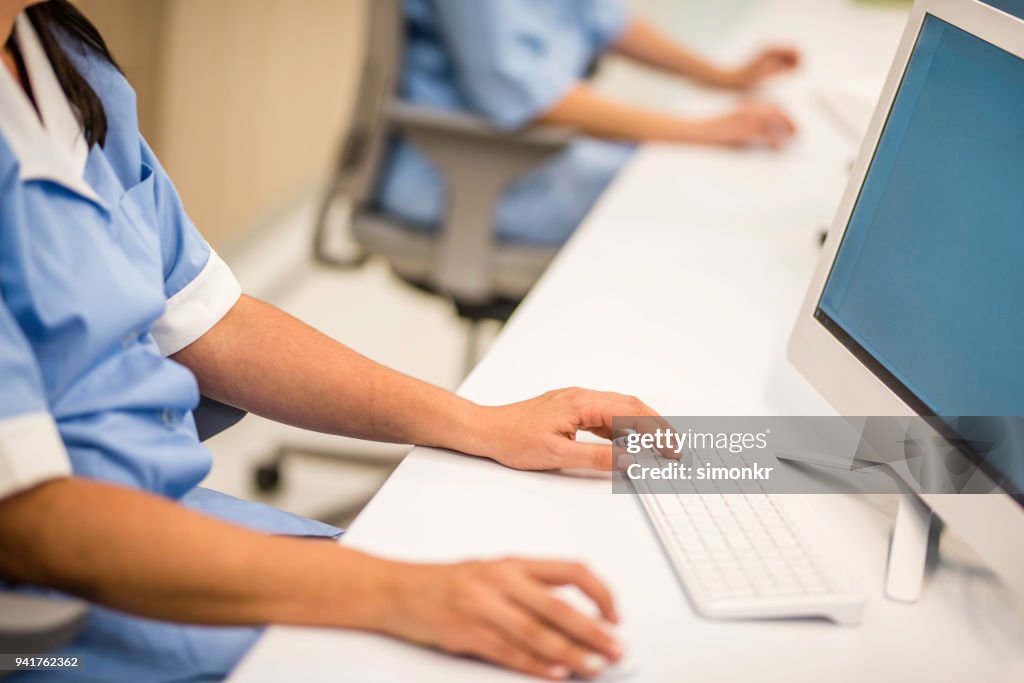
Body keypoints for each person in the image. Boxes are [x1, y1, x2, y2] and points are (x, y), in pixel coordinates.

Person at [0, 2, 660, 680]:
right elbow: (30, 518)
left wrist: (482, 423)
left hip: (167, 526)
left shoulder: (66, 65)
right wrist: (400, 591)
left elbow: (208, 318)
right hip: (55, 614)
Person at [376, 0, 800, 246]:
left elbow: (604, 20)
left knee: (731, 191)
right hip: (471, 172)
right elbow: (532, 99)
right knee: (706, 216)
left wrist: (725, 78)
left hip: (543, 154)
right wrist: (703, 131)